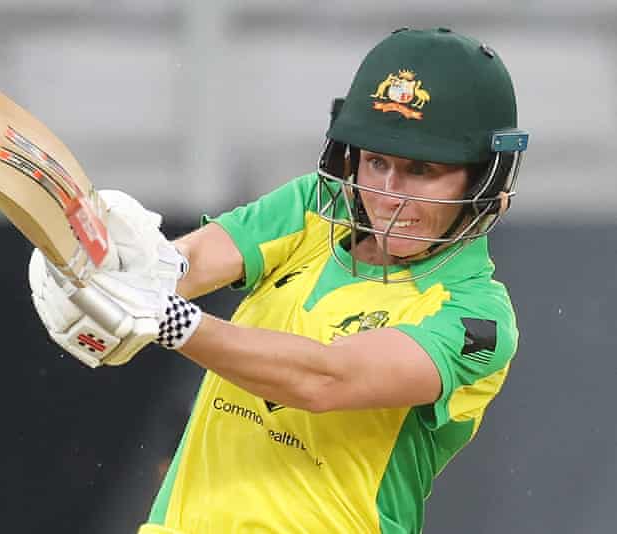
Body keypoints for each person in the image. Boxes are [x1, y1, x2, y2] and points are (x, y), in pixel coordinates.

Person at [29, 27, 528, 533]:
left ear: (484, 179)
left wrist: (168, 319)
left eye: (421, 169)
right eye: (376, 162)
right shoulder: (318, 207)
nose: (389, 193)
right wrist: (115, 265)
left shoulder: (477, 319)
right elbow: (187, 264)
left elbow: (325, 379)